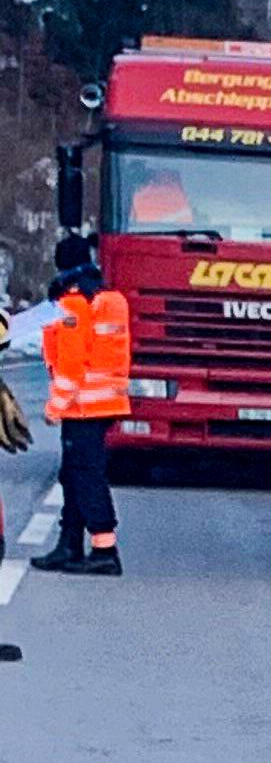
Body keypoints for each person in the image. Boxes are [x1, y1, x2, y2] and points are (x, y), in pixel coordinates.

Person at [35, 233, 130, 575]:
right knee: (74, 475)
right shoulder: (108, 298)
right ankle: (69, 544)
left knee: (86, 477)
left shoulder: (74, 304)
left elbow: (72, 364)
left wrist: (55, 407)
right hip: (104, 403)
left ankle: (104, 551)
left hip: (84, 406)